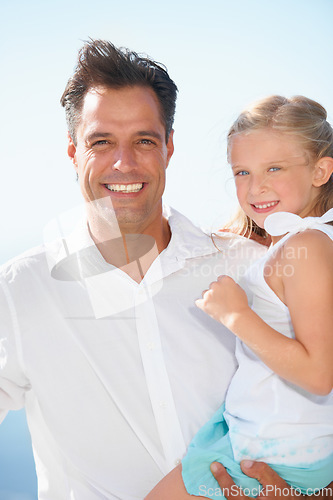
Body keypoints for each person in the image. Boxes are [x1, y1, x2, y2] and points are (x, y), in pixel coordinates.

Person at [0, 40, 330, 500]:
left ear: (169, 148)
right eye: (101, 142)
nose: (124, 162)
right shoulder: (19, 292)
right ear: (73, 153)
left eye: (144, 140)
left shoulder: (254, 267)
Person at [146, 95, 333, 500]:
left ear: (320, 170)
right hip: (268, 441)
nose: (255, 186)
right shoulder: (302, 244)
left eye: (275, 169)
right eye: (242, 172)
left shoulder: (308, 245)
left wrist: (236, 316)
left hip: (272, 452)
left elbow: (320, 374)